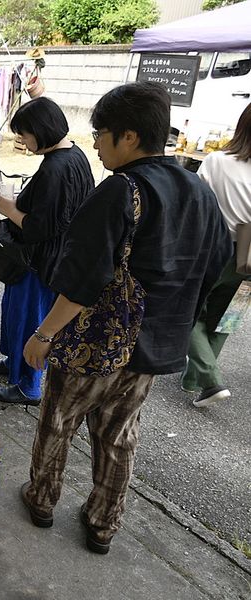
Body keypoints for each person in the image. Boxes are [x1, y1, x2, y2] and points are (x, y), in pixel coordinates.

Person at [19, 82, 231, 555]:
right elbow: (217, 262)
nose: (95, 143)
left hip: (94, 343)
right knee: (119, 436)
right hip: (151, 347)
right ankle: (102, 523)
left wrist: (44, 334)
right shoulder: (198, 188)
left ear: (129, 137)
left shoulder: (121, 190)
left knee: (58, 421)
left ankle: (42, 499)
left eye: (101, 133)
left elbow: (82, 278)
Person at [0, 97, 94, 406]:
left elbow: (41, 228)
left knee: (28, 318)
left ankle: (29, 385)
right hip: (49, 257)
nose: (22, 141)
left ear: (41, 129)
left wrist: (9, 209)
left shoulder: (56, 167)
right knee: (15, 313)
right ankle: (14, 363)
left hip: (39, 261)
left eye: (25, 134)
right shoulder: (73, 155)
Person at [181, 102, 251, 407]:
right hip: (249, 256)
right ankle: (193, 380)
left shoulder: (217, 161)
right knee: (226, 319)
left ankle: (209, 380)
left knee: (190, 311)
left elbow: (197, 203)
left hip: (215, 247)